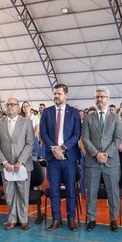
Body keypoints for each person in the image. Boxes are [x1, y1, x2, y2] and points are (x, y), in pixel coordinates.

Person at [39, 83, 82, 231]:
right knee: (54, 190)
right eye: (55, 93)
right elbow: (43, 133)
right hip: (52, 158)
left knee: (71, 190)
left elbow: (77, 134)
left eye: (59, 94)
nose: (56, 96)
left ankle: (71, 219)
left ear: (66, 95)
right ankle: (56, 219)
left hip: (69, 158)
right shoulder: (47, 112)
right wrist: (54, 149)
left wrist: (62, 148)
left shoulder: (74, 113)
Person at [81, 87, 122, 232]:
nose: (100, 99)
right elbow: (85, 138)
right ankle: (91, 219)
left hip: (110, 162)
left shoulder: (115, 117)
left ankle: (113, 220)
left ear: (108, 99)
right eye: (98, 97)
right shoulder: (88, 117)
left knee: (113, 192)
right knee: (91, 192)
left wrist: (106, 154)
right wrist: (96, 153)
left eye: (103, 97)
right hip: (92, 161)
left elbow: (117, 139)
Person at [0, 97, 35, 230]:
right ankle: (12, 219)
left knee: (23, 193)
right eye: (8, 104)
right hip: (6, 166)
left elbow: (30, 143)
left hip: (22, 165)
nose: (10, 107)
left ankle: (23, 219)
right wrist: (4, 161)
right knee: (9, 194)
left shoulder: (26, 122)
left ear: (18, 107)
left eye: (13, 105)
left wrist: (19, 161)